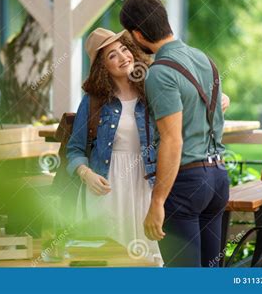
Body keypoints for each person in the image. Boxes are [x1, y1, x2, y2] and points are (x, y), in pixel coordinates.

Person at [66, 27, 230, 266]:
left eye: (124, 49)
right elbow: (74, 149)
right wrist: (86, 173)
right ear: (102, 66)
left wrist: (220, 99)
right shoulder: (93, 102)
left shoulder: (154, 87)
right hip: (109, 189)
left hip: (149, 186)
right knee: (112, 260)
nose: (123, 57)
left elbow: (182, 118)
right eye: (112, 55)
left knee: (151, 260)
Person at [120, 0, 231, 267]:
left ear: (137, 33)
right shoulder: (204, 59)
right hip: (217, 178)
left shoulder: (160, 73)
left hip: (187, 185)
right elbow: (216, 106)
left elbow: (172, 139)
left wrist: (157, 201)